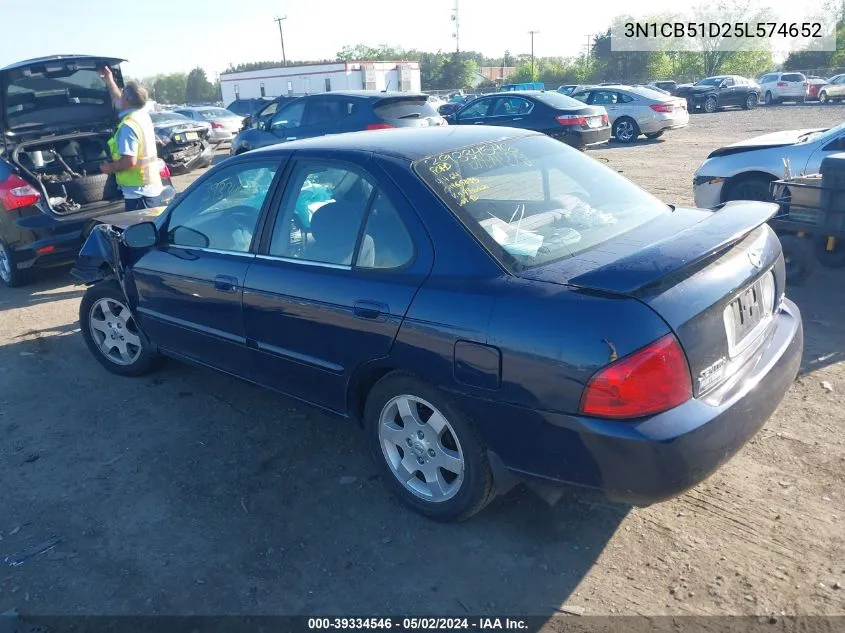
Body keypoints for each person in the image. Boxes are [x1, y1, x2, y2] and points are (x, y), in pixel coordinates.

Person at [98, 67, 163, 211]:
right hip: (147, 187)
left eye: (122, 96)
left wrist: (110, 168)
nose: (119, 98)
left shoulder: (128, 126)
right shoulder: (142, 116)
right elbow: (117, 100)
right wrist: (109, 79)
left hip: (140, 193)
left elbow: (130, 161)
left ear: (126, 100)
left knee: (141, 230)